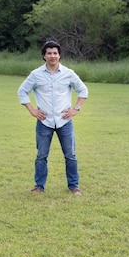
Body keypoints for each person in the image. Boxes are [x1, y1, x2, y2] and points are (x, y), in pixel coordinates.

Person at [18, 41, 89, 195]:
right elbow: (22, 91)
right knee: (41, 156)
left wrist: (76, 109)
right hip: (44, 121)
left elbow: (83, 90)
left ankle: (74, 186)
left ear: (59, 55)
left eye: (55, 53)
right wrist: (32, 110)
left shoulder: (68, 73)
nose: (52, 56)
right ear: (44, 56)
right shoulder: (36, 74)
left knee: (70, 155)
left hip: (65, 121)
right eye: (49, 53)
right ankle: (39, 186)